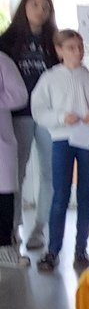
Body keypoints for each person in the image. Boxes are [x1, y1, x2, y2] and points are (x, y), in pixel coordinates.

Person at [30, 30, 89, 272]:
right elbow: (38, 110)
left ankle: (81, 248)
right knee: (60, 195)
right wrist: (61, 117)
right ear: (59, 50)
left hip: (87, 141)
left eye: (80, 46)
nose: (77, 51)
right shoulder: (50, 78)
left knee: (85, 194)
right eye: (71, 47)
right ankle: (53, 250)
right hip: (62, 140)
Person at [0, 0, 58, 250]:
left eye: (45, 7)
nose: (40, 10)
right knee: (15, 174)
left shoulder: (54, 42)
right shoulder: (6, 41)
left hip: (48, 116)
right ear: (24, 7)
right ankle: (12, 227)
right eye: (35, 4)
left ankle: (39, 229)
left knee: (49, 173)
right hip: (17, 116)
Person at [0, 50, 29, 269]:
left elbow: (20, 95)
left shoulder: (3, 61)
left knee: (4, 195)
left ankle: (4, 249)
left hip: (2, 140)